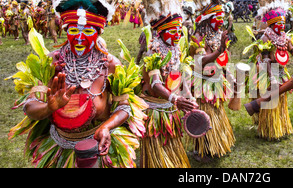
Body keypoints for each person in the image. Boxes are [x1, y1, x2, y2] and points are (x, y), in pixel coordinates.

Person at [7, 0, 141, 168]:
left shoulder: (110, 65)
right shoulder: (52, 62)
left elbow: (125, 107)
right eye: (73, 30)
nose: (79, 37)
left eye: (88, 31)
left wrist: (106, 127)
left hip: (97, 150)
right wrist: (48, 108)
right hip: (59, 149)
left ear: (99, 32)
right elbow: (29, 107)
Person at [245, 0, 293, 140]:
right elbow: (265, 61)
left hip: (281, 72)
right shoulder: (265, 38)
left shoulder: (285, 38)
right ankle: (268, 130)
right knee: (271, 100)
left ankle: (280, 127)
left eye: (283, 23)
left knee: (281, 100)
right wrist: (272, 78)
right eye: (278, 23)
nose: (282, 26)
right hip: (268, 72)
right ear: (271, 24)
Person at [139, 0, 198, 168]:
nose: (178, 35)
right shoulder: (154, 50)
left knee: (171, 141)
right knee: (157, 143)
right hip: (157, 108)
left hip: (170, 104)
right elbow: (156, 83)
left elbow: (178, 75)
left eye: (179, 31)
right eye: (173, 32)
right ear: (160, 32)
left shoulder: (174, 49)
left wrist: (189, 95)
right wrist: (175, 99)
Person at [189, 0, 235, 162]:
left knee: (216, 113)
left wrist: (229, 75)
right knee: (203, 116)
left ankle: (216, 144)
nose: (221, 21)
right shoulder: (198, 36)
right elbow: (201, 61)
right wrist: (219, 50)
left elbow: (222, 60)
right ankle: (201, 149)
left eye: (222, 17)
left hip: (217, 82)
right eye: (218, 17)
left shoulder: (218, 35)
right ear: (208, 18)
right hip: (203, 84)